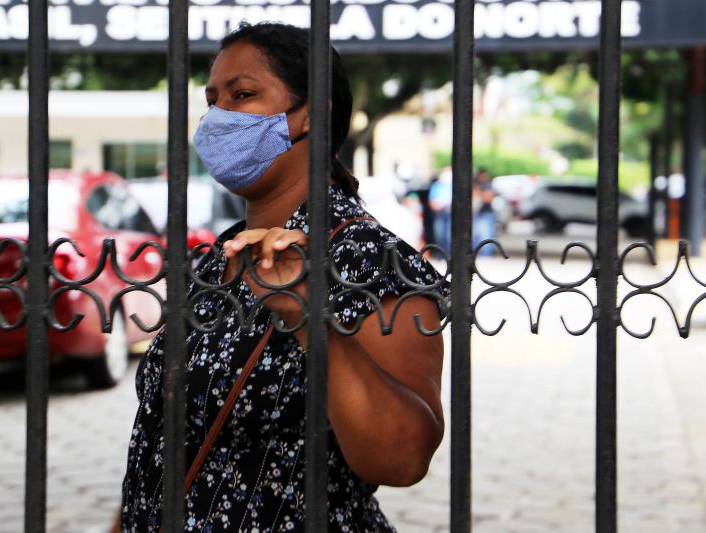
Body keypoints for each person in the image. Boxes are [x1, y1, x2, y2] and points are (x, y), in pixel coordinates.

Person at [118, 22, 446, 532]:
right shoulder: (214, 258)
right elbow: (166, 440)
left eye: (243, 94)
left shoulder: (374, 263)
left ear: (311, 115)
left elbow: (402, 459)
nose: (219, 116)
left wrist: (306, 317)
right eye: (213, 100)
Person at [472, 167, 497, 256]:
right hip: (478, 212)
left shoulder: (488, 185)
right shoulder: (477, 184)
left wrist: (478, 193)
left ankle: (486, 254)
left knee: (486, 235)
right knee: (476, 235)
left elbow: (488, 198)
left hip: (486, 212)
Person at [428, 167, 452, 255]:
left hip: (450, 213)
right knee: (439, 235)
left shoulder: (453, 185)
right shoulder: (436, 185)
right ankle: (440, 254)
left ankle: (450, 254)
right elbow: (432, 201)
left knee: (450, 235)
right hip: (439, 213)